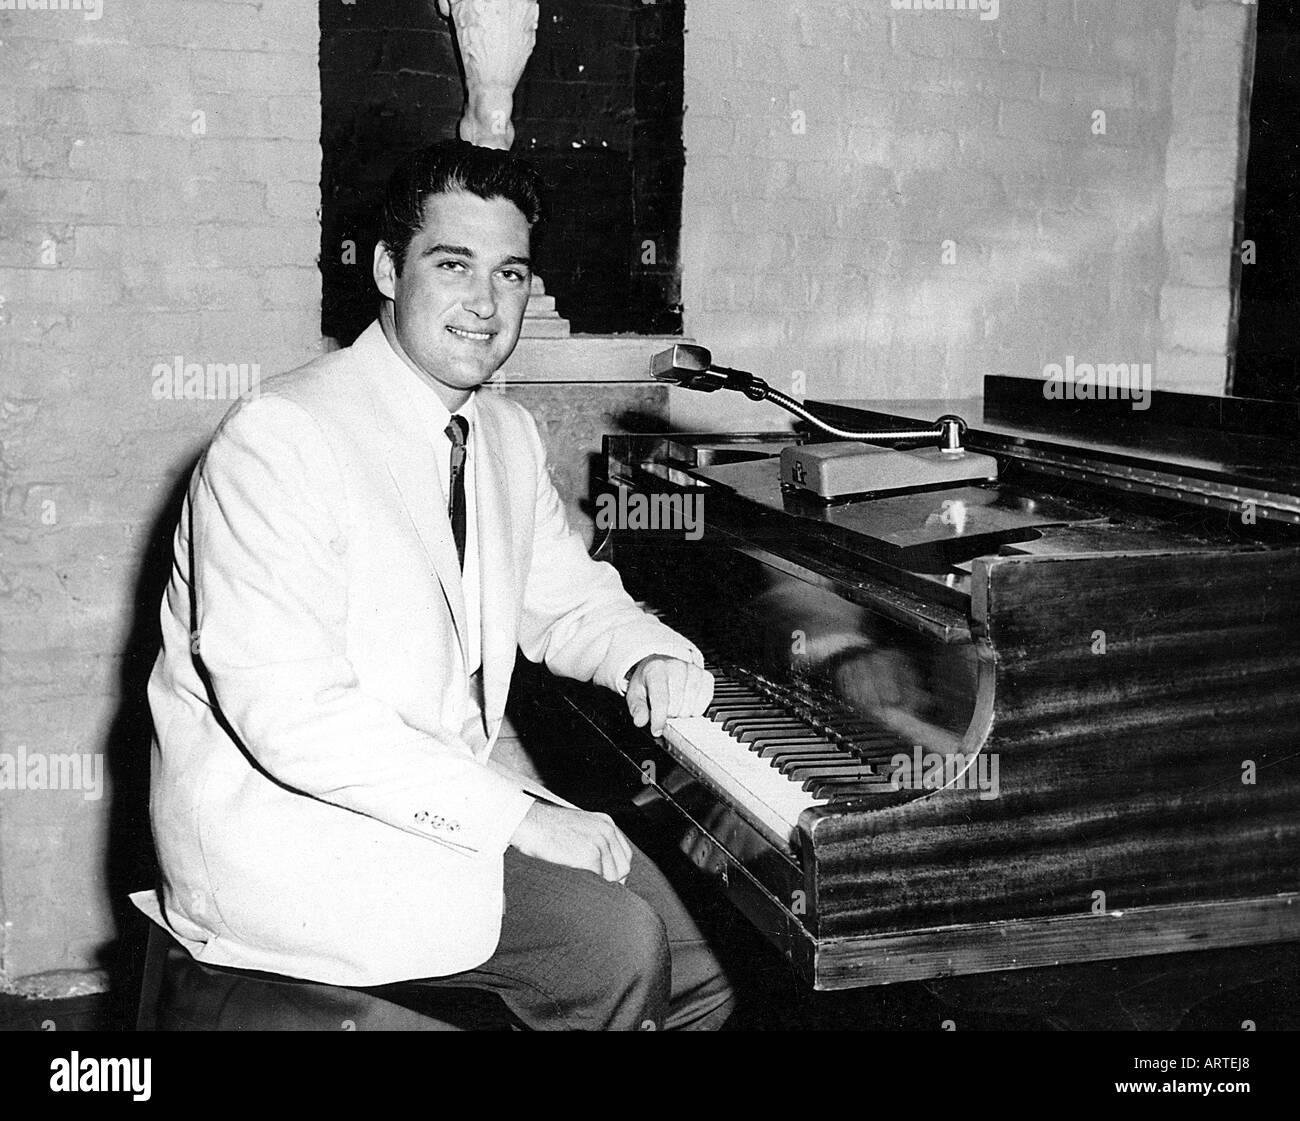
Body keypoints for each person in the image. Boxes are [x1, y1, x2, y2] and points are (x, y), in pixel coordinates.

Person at [145, 140, 733, 1030]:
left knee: (705, 960)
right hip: (295, 835)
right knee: (615, 947)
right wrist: (517, 819)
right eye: (453, 265)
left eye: (512, 273)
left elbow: (567, 594)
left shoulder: (501, 433)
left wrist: (642, 651)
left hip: (428, 811)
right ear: (387, 269)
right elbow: (291, 715)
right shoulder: (279, 436)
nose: (486, 304)